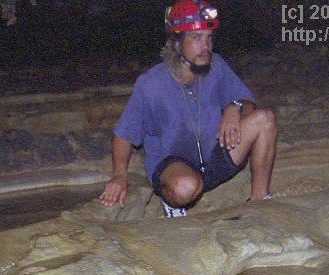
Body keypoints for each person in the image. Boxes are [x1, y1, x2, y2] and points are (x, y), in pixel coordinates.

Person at [98, 0, 277, 217]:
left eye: (209, 38)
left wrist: (234, 106)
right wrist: (119, 175)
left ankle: (260, 199)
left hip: (214, 156)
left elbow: (249, 105)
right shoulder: (151, 83)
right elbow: (123, 135)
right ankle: (172, 203)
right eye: (196, 38)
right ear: (176, 42)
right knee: (185, 187)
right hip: (174, 165)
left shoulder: (217, 66)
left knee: (265, 119)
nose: (206, 46)